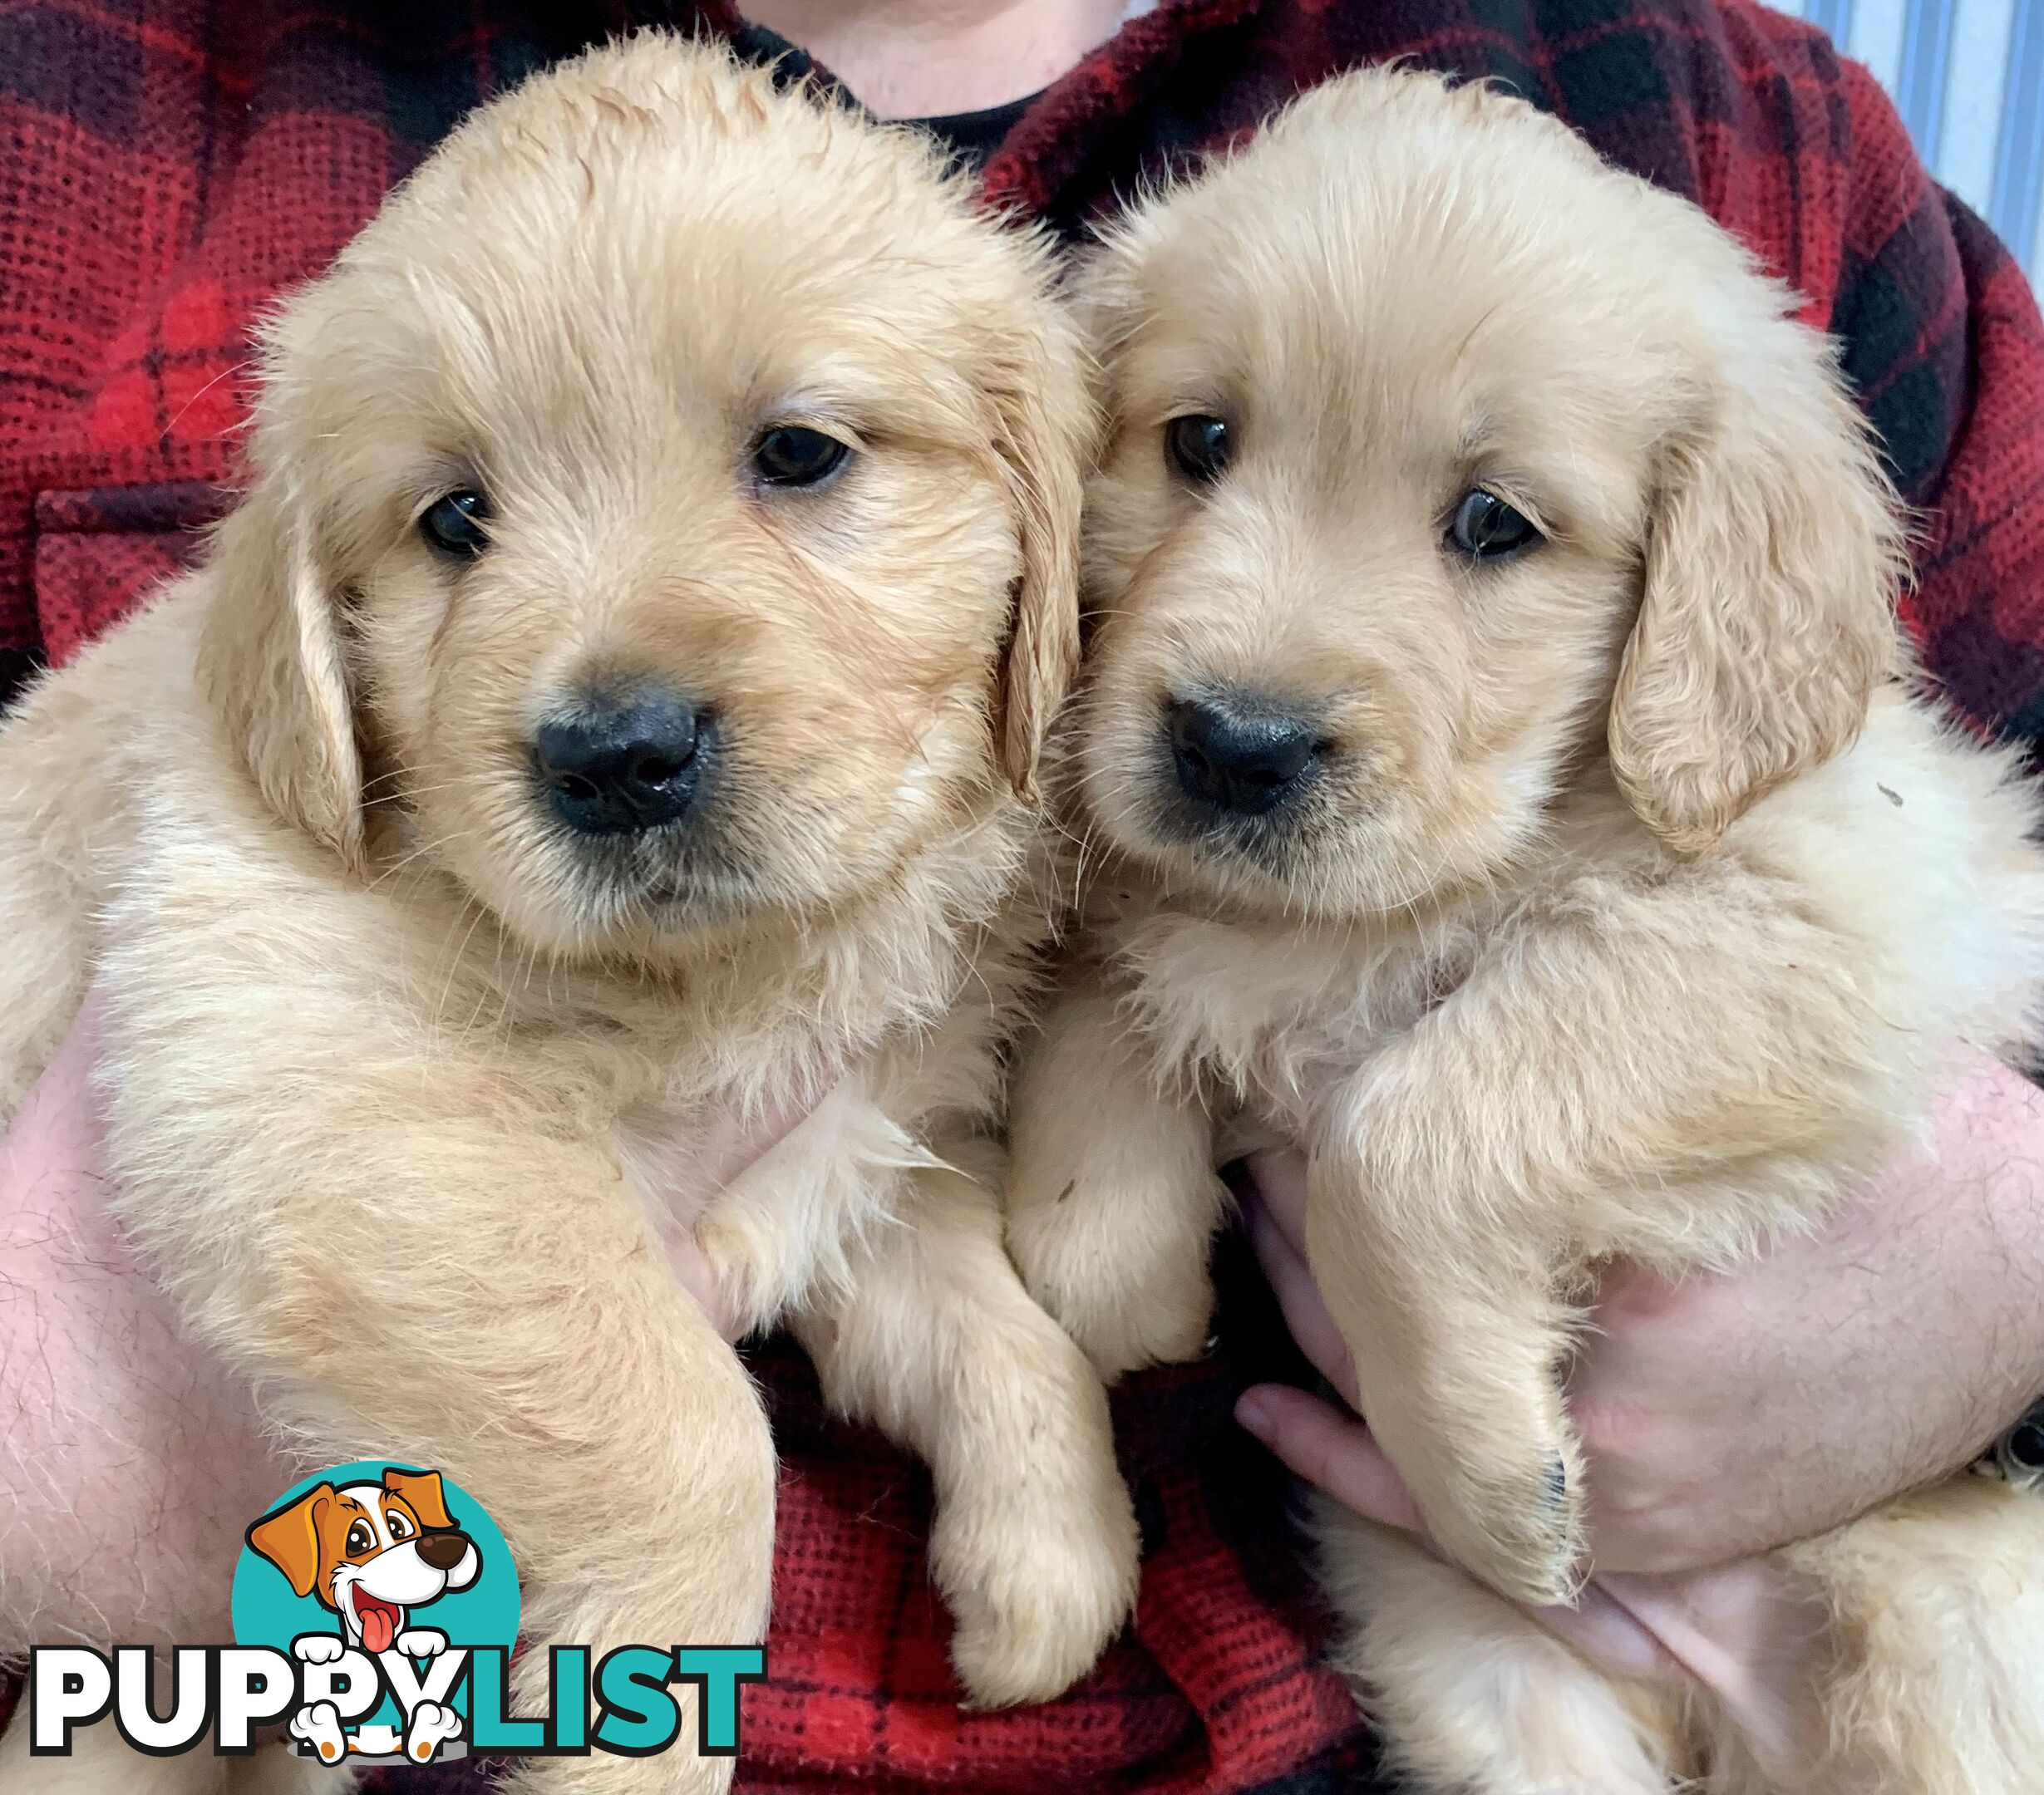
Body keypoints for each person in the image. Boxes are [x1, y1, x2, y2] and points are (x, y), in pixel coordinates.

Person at [2, 2, 2041, 1788]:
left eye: (802, 456)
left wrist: (2007, 1278)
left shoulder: (1729, 120)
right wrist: (76, 1463)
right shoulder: (85, 104)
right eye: (457, 523)